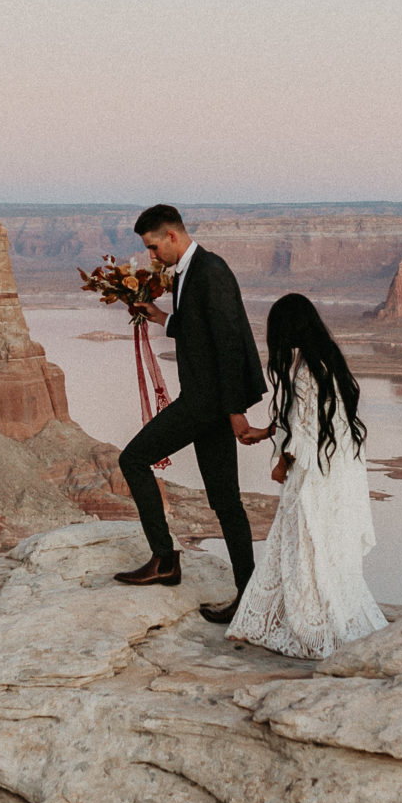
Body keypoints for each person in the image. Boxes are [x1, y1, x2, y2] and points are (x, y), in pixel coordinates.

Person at [112, 204, 268, 625]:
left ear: (172, 237)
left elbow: (229, 341)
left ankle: (164, 559)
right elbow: (199, 327)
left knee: (132, 459)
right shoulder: (190, 270)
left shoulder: (210, 271)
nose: (151, 257)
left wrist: (236, 412)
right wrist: (163, 318)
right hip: (207, 399)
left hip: (206, 402)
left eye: (153, 247)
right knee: (225, 501)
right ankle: (248, 596)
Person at [225, 295, 388, 658]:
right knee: (325, 546)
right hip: (338, 472)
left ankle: (309, 627)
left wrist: (281, 466)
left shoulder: (305, 372)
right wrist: (265, 432)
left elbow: (301, 433)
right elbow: (306, 418)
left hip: (314, 477)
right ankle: (303, 617)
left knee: (304, 544)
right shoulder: (326, 360)